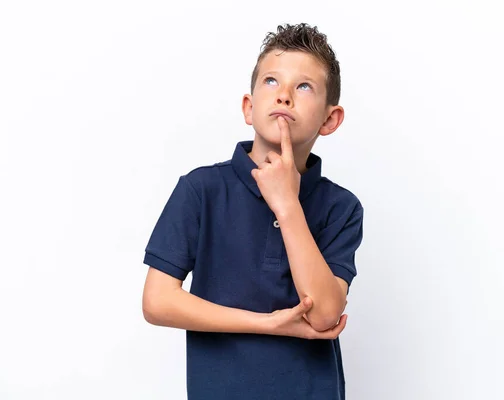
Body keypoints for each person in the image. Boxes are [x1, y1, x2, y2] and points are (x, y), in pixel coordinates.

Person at [142, 23, 364, 400]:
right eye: (271, 82)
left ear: (330, 119)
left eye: (304, 86)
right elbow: (157, 301)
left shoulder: (341, 208)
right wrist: (267, 324)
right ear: (249, 107)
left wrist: (287, 203)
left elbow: (325, 315)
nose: (285, 96)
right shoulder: (200, 190)